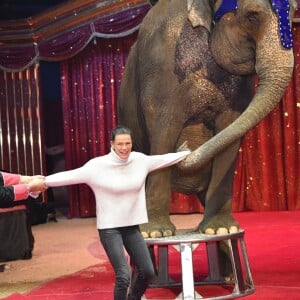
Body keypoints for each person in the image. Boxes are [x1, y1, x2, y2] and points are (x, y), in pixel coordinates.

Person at [45, 125, 191, 300]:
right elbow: (70, 175)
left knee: (148, 271)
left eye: (128, 143)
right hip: (109, 228)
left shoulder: (140, 161)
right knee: (124, 275)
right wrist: (43, 182)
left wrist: (185, 154)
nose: (124, 148)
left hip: (131, 226)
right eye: (120, 144)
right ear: (112, 144)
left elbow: (164, 159)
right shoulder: (97, 166)